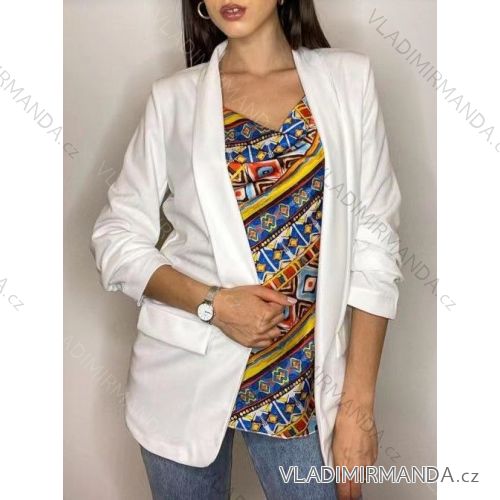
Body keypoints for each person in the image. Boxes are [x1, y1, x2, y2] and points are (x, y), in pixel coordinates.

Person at [90, 0, 403, 498]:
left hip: (301, 380)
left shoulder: (348, 80)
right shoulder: (173, 99)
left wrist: (358, 406)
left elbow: (376, 246)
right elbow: (115, 235)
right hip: (183, 375)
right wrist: (214, 305)